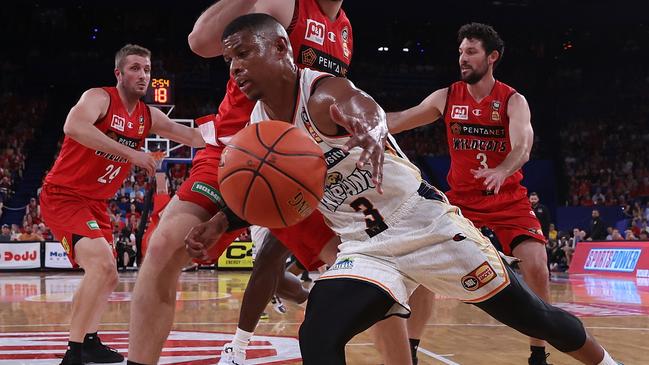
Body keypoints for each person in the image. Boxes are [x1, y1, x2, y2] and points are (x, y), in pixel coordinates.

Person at [187, 13, 622, 365]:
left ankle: (605, 362)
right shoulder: (259, 127)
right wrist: (222, 220)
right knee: (318, 332)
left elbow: (360, 106)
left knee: (537, 317)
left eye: (244, 53)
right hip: (364, 247)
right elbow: (272, 193)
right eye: (229, 61)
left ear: (282, 47)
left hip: (426, 226)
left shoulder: (321, 93)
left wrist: (372, 128)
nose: (236, 67)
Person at [125, 1, 388, 364]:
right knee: (164, 247)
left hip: (301, 166)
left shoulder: (344, 30)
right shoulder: (285, 4)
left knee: (380, 270)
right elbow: (200, 42)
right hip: (237, 150)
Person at [388, 22, 555, 365]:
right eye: (461, 52)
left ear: (491, 57)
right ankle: (413, 351)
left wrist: (502, 170)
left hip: (507, 197)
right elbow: (401, 119)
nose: (462, 58)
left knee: (537, 266)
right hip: (461, 201)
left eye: (471, 52)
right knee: (424, 267)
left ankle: (538, 352)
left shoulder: (513, 100)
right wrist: (358, 118)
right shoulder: (446, 96)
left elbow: (523, 146)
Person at [39, 44, 205, 365]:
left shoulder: (148, 116)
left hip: (97, 202)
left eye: (147, 69)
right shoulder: (99, 98)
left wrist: (242, 129)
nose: (143, 75)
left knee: (110, 275)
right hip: (64, 195)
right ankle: (73, 354)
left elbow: (194, 137)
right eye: (135, 68)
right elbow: (73, 127)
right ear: (119, 73)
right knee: (101, 267)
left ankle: (89, 341)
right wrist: (132, 154)